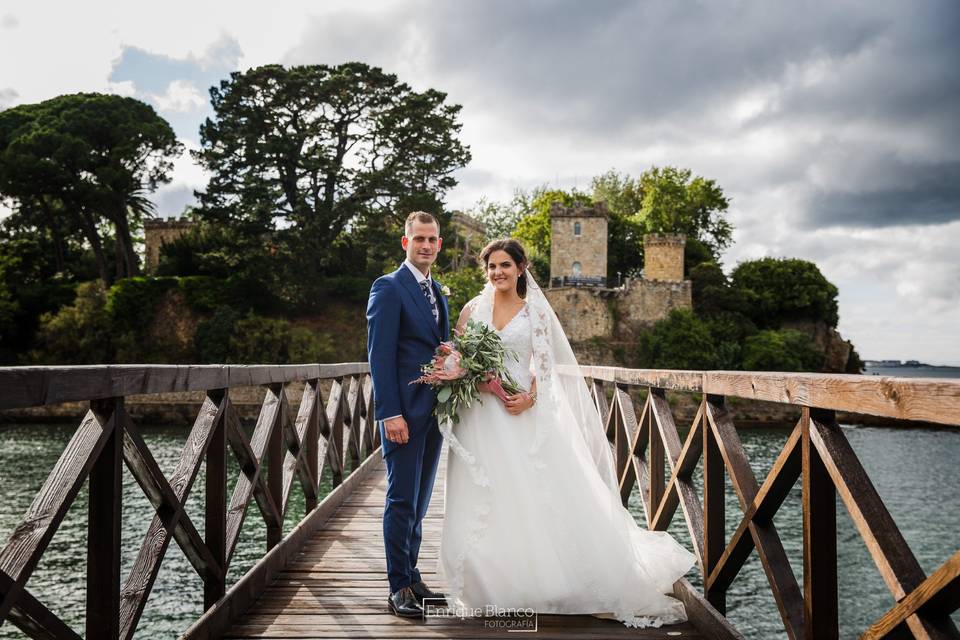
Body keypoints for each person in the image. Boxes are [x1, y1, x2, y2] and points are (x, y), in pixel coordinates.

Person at [437, 238, 696, 628]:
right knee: (483, 492)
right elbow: (458, 353)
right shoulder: (473, 309)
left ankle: (543, 579)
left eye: (505, 265)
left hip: (519, 410)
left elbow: (545, 365)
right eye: (492, 266)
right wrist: (456, 369)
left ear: (521, 268)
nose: (498, 273)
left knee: (525, 491)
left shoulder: (534, 311)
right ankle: (488, 584)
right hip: (478, 415)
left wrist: (530, 397)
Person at [366, 211, 450, 617]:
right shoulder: (389, 287)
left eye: (432, 239)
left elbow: (435, 345)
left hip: (433, 413)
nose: (426, 246)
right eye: (419, 239)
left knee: (419, 498)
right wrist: (389, 414)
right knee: (400, 498)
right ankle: (397, 587)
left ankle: (413, 576)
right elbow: (379, 357)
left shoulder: (438, 292)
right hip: (403, 413)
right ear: (406, 243)